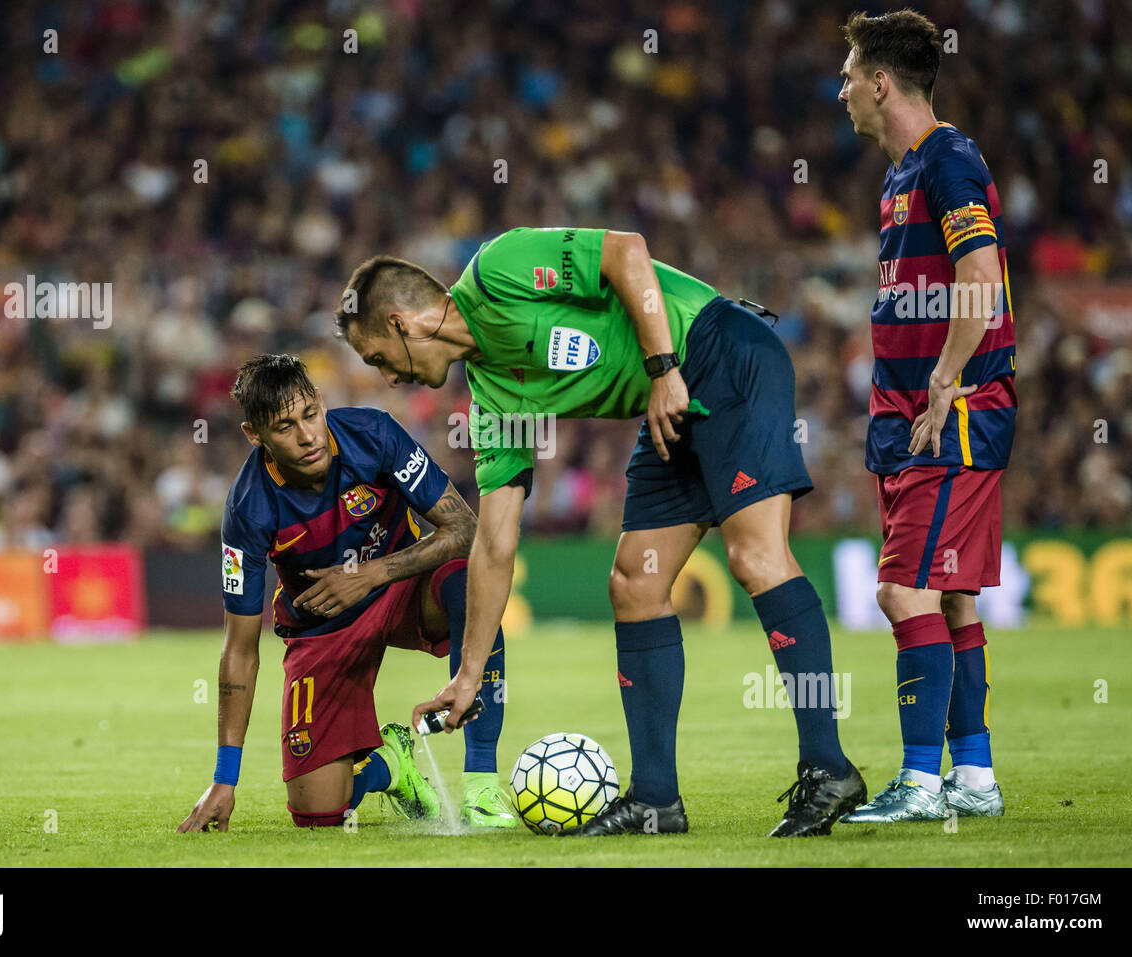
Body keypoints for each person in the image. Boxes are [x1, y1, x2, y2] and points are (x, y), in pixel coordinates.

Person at [335, 228, 865, 837]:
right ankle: (655, 800)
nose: (386, 377)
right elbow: (495, 542)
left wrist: (664, 369)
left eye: (377, 357)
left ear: (402, 323)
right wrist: (469, 674)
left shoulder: (499, 270)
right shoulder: (493, 397)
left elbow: (626, 252)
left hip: (720, 352)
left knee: (755, 557)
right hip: (669, 404)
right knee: (633, 583)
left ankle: (828, 768)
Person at [177, 354, 515, 833]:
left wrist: (371, 573)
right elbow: (239, 651)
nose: (307, 435)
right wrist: (223, 778)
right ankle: (393, 765)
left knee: (471, 581)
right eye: (284, 427)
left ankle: (481, 784)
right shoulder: (248, 508)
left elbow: (464, 528)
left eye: (310, 415)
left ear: (320, 401)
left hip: (400, 590)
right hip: (322, 628)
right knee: (318, 814)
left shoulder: (374, 435)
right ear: (255, 435)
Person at [835, 9, 1014, 823]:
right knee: (952, 598)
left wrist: (946, 379)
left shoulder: (949, 159)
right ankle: (972, 776)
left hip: (950, 414)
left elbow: (979, 273)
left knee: (901, 594)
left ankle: (918, 779)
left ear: (880, 82)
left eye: (848, 74)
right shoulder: (901, 174)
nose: (840, 89)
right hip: (909, 413)